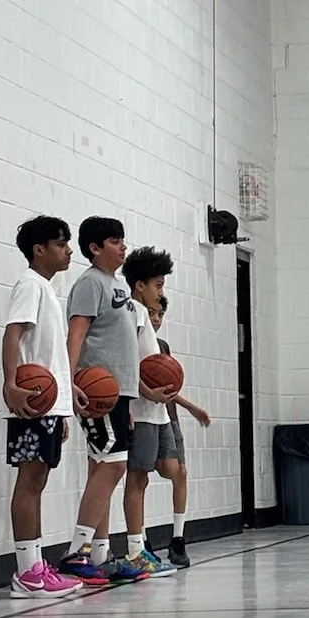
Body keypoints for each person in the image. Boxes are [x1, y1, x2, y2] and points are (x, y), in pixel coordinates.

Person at [61, 217, 146, 585]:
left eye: (123, 239)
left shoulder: (118, 285)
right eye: (114, 240)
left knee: (103, 468)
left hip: (118, 393)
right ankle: (76, 552)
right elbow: (76, 336)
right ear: (95, 248)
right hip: (97, 391)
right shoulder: (90, 283)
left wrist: (128, 398)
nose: (123, 246)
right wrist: (68, 383)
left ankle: (100, 553)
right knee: (112, 467)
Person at [2, 216, 83, 598]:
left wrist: (63, 403)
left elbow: (50, 354)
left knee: (38, 482)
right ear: (39, 249)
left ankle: (34, 565)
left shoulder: (47, 289)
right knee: (29, 482)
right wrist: (11, 384)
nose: (69, 250)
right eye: (61, 244)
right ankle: (27, 572)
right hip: (31, 401)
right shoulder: (30, 285)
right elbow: (12, 334)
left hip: (48, 405)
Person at [119, 246, 177, 577]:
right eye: (157, 285)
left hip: (156, 412)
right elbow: (126, 361)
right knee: (137, 477)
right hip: (141, 410)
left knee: (154, 475)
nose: (160, 292)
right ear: (139, 285)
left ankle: (139, 547)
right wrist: (146, 391)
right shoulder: (134, 312)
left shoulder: (143, 313)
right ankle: (134, 551)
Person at [152, 291, 210, 569]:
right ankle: (139, 541)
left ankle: (177, 539)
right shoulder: (135, 341)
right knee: (144, 476)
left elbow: (168, 388)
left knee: (181, 472)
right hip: (146, 419)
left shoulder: (162, 345)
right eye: (152, 313)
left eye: (161, 314)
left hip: (168, 416)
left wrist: (191, 407)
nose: (156, 319)